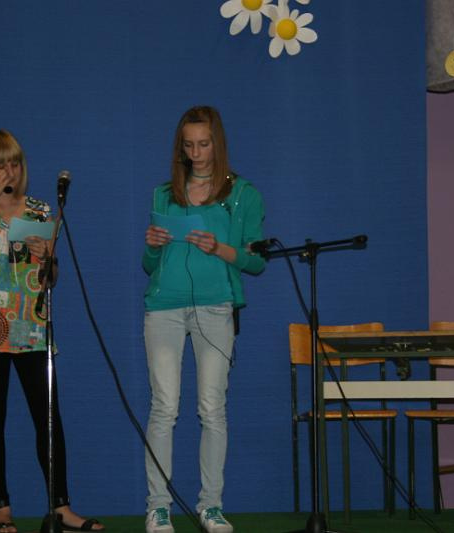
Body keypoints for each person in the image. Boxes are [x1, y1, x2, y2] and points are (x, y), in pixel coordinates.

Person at [0, 130, 105, 533]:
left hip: (31, 322)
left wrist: (46, 260)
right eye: (0, 164)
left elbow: (50, 278)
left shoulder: (39, 210)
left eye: (14, 163)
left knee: (48, 416)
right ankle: (0, 510)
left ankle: (61, 507)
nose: (9, 171)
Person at [142, 107, 265, 533]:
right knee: (164, 407)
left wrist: (218, 248)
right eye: (189, 145)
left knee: (212, 409)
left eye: (204, 144)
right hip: (164, 308)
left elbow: (256, 261)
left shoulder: (242, 194)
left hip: (216, 308)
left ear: (218, 143)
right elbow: (150, 265)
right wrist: (154, 244)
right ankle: (158, 506)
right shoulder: (163, 194)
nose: (196, 153)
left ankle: (210, 505)